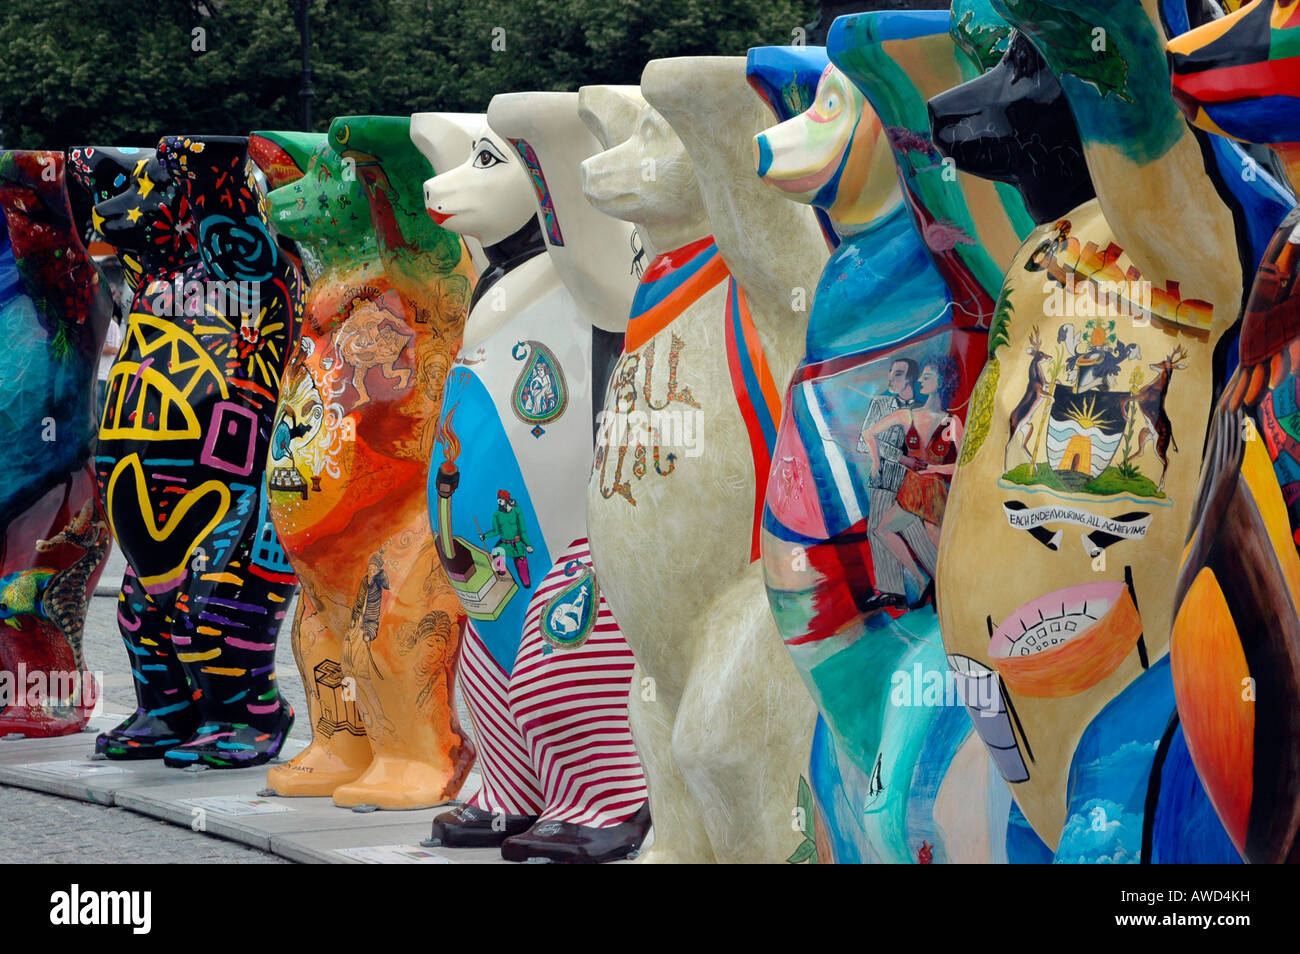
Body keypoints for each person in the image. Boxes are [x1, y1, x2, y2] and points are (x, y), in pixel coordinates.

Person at [859, 358, 962, 609]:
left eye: (927, 377)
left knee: (933, 541)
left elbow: (961, 464)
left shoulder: (943, 419)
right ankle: (908, 583)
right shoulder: (894, 410)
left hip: (926, 489)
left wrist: (934, 468)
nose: (920, 381)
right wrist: (883, 461)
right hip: (900, 485)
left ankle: (941, 586)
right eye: (921, 376)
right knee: (881, 529)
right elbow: (867, 437)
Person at [481, 489, 534, 588]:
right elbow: (496, 531)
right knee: (496, 552)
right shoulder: (497, 515)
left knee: (522, 565)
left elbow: (522, 531)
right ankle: (501, 574)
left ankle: (526, 584)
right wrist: (485, 536)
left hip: (516, 544)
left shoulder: (517, 511)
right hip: (504, 544)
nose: (499, 503)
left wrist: (528, 544)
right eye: (498, 500)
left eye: (501, 500)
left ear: (506, 500)